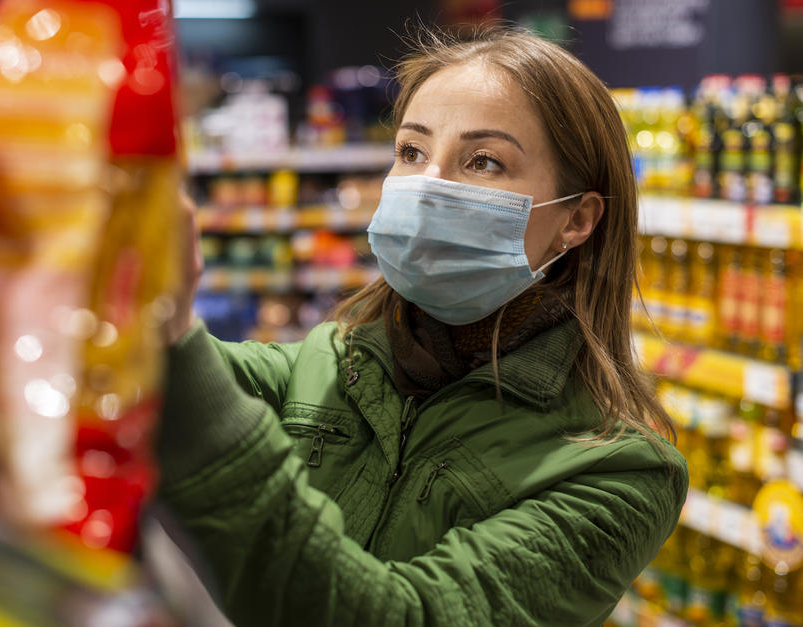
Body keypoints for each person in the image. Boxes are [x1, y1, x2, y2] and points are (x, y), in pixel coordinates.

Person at [155, 25, 688, 626]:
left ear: (576, 219)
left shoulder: (617, 473)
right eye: (411, 152)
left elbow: (406, 616)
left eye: (483, 161)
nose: (427, 185)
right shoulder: (327, 362)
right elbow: (136, 383)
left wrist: (174, 332)